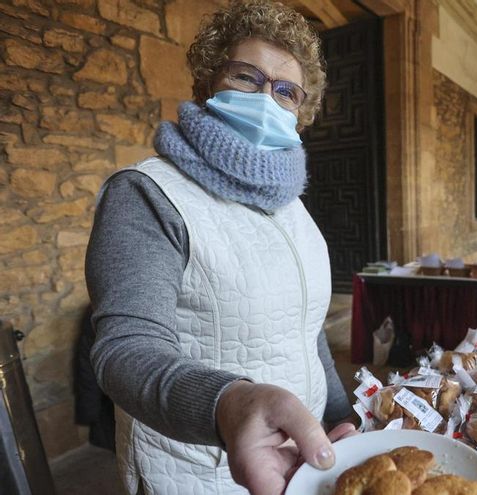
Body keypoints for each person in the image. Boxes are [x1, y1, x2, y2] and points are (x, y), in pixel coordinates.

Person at [85, 2, 357, 493]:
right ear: (209, 81)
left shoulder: (291, 206)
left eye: (285, 90)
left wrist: (342, 417)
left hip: (304, 455)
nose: (266, 98)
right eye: (246, 77)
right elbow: (124, 349)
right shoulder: (147, 193)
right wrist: (226, 404)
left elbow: (306, 327)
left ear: (301, 109)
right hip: (201, 470)